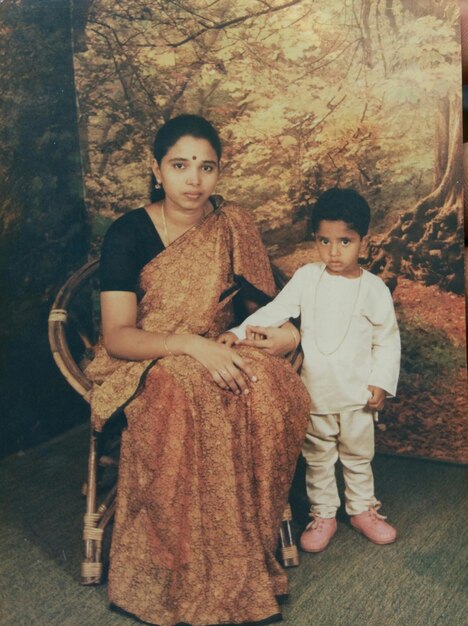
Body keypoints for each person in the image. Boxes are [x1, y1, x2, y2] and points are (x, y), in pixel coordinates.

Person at [85, 114, 311, 626]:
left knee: (272, 388)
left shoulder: (232, 224)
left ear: (218, 171)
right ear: (156, 168)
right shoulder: (128, 232)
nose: (194, 180)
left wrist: (287, 334)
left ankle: (241, 559)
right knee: (181, 390)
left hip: (221, 346)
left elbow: (270, 307)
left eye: (206, 167)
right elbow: (119, 335)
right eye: (180, 165)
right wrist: (188, 345)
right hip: (147, 357)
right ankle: (174, 572)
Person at [222, 187, 401, 553]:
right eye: (325, 240)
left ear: (364, 242)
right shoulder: (307, 277)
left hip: (357, 396)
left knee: (357, 456)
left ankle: (363, 509)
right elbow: (274, 312)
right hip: (316, 392)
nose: (334, 252)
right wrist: (238, 332)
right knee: (318, 457)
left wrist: (380, 382)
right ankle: (324, 514)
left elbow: (387, 340)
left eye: (345, 241)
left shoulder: (374, 290)